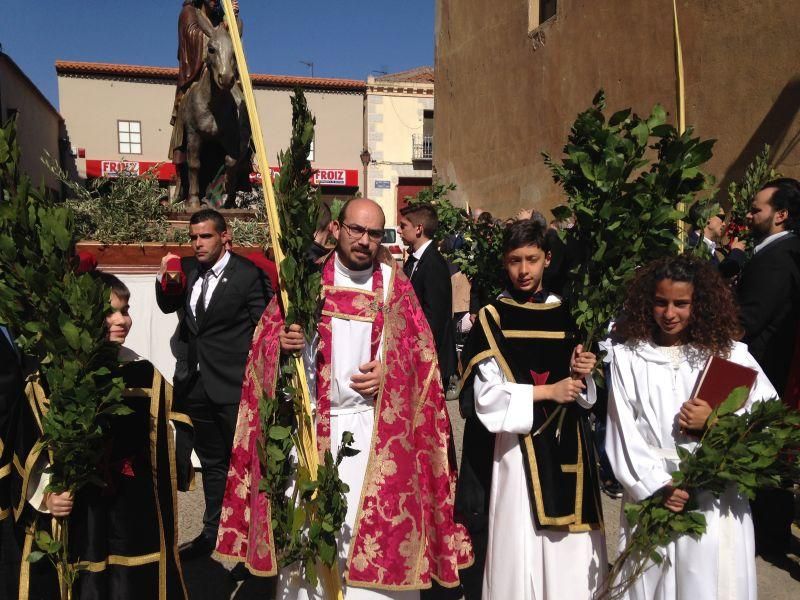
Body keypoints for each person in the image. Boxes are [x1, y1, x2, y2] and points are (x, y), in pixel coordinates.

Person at [216, 198, 472, 598]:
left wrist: (391, 372)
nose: (365, 241)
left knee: (374, 542)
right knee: (309, 545)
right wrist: (282, 345)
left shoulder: (395, 288)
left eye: (374, 233)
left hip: (374, 434)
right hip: (312, 430)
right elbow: (260, 352)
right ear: (337, 229)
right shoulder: (306, 283)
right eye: (356, 229)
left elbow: (424, 363)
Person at [605, 254, 777, 600]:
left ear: (700, 304)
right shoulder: (630, 358)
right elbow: (621, 429)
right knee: (652, 579)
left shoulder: (729, 355)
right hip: (655, 490)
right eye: (660, 302)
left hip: (714, 494)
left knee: (708, 580)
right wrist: (656, 484)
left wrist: (715, 421)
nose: (670, 314)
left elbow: (767, 420)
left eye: (681, 304)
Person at [13, 274, 190, 599]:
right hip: (75, 512)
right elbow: (28, 445)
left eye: (126, 310)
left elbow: (175, 423)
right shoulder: (51, 379)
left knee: (132, 582)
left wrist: (181, 450)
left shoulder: (142, 372)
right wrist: (46, 495)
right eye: (111, 312)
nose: (122, 320)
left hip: (132, 509)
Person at [456, 219, 605, 600]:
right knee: (519, 541)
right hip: (517, 451)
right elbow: (486, 400)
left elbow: (588, 397)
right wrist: (547, 392)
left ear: (547, 259)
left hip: (568, 447)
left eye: (532, 260)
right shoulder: (494, 318)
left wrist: (583, 376)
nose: (524, 271)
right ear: (504, 263)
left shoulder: (571, 315)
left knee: (568, 549)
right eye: (514, 261)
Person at [156, 208, 271, 559]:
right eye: (193, 238)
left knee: (247, 463)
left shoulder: (247, 274)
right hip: (196, 384)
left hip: (233, 384)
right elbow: (168, 306)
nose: (197, 244)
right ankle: (213, 533)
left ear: (225, 236)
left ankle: (254, 539)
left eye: (204, 236)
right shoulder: (189, 270)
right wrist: (165, 281)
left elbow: (264, 327)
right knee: (212, 463)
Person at [735, 177, 800, 557]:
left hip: (764, 373)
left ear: (781, 215)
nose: (749, 214)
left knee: (766, 456)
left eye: (756, 208)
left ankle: (768, 535)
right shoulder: (781, 251)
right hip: (775, 373)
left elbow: (750, 319)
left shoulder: (777, 257)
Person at [398, 203, 458, 386]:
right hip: (415, 355)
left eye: (403, 226)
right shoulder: (414, 260)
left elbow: (435, 319)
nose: (399, 231)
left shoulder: (434, 264)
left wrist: (419, 357)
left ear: (418, 229)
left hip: (429, 359)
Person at [686, 200, 746, 278]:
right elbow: (715, 277)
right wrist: (737, 253)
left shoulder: (705, 245)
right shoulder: (692, 247)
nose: (724, 223)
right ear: (707, 217)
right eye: (722, 217)